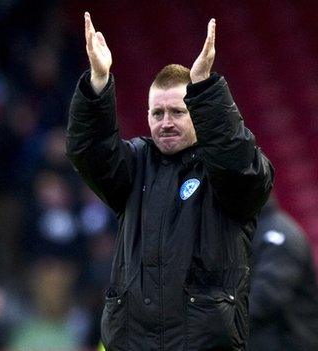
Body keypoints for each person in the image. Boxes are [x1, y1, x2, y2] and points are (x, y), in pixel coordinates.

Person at [66, 12, 274, 350]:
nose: (166, 123)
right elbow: (88, 151)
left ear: (197, 112)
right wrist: (98, 82)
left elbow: (243, 173)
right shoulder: (134, 165)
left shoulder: (222, 170)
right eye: (157, 113)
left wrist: (206, 88)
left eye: (177, 112)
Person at [249, 196, 318, 350]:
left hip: (290, 342)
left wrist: (220, 323)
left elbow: (266, 296)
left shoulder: (279, 234)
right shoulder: (248, 233)